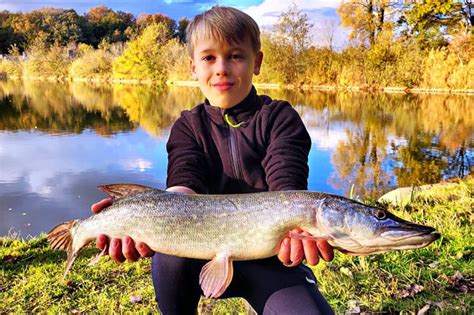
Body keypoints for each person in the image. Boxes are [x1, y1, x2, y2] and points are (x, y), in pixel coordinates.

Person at [91, 6, 335, 315]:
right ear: (193, 67)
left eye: (235, 56)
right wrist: (137, 215)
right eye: (209, 58)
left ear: (256, 62)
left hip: (273, 259)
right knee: (169, 257)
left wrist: (302, 228)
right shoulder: (187, 127)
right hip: (193, 257)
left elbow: (288, 190)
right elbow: (183, 185)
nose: (221, 68)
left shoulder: (280, 118)